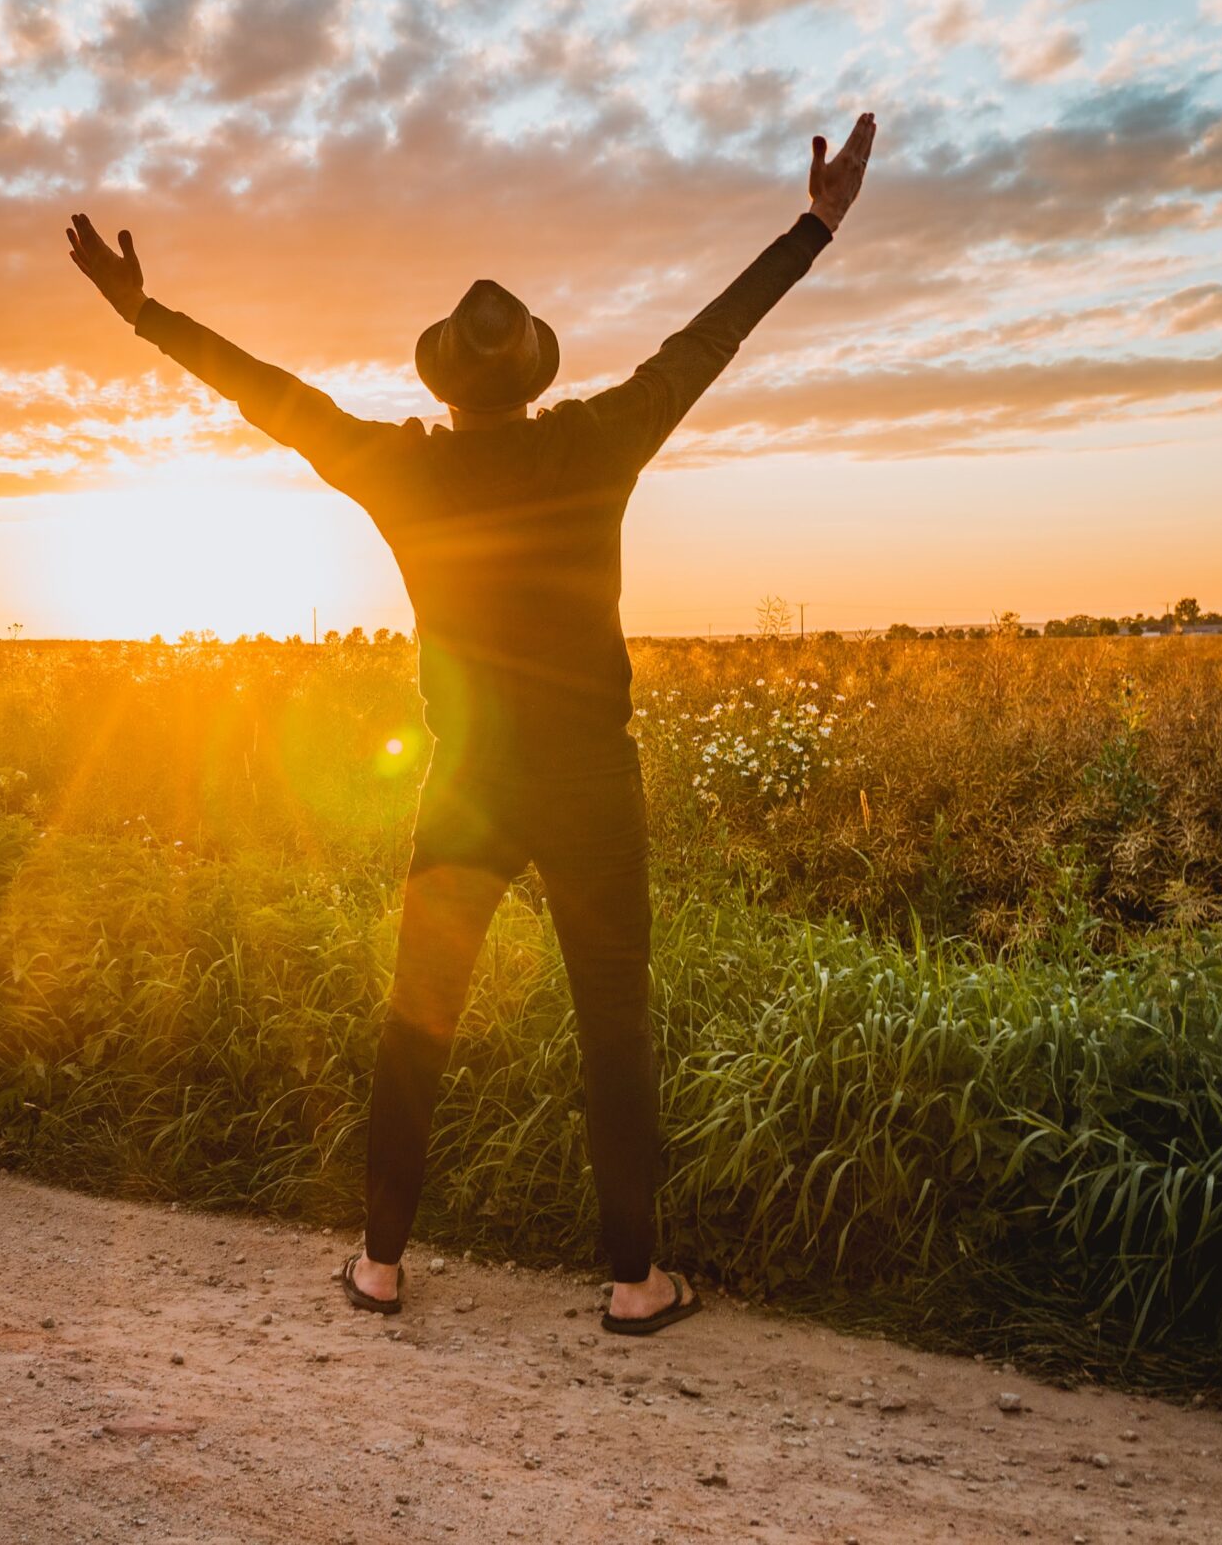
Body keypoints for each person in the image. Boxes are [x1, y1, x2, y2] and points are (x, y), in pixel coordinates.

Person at [66, 113, 876, 1334]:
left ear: (444, 381)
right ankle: (632, 1281)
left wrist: (144, 314)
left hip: (467, 778)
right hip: (591, 779)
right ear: (534, 371)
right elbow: (709, 338)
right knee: (614, 1021)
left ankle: (381, 1263)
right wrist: (811, 227)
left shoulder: (403, 470)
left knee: (419, 1015)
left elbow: (271, 397)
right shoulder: (601, 439)